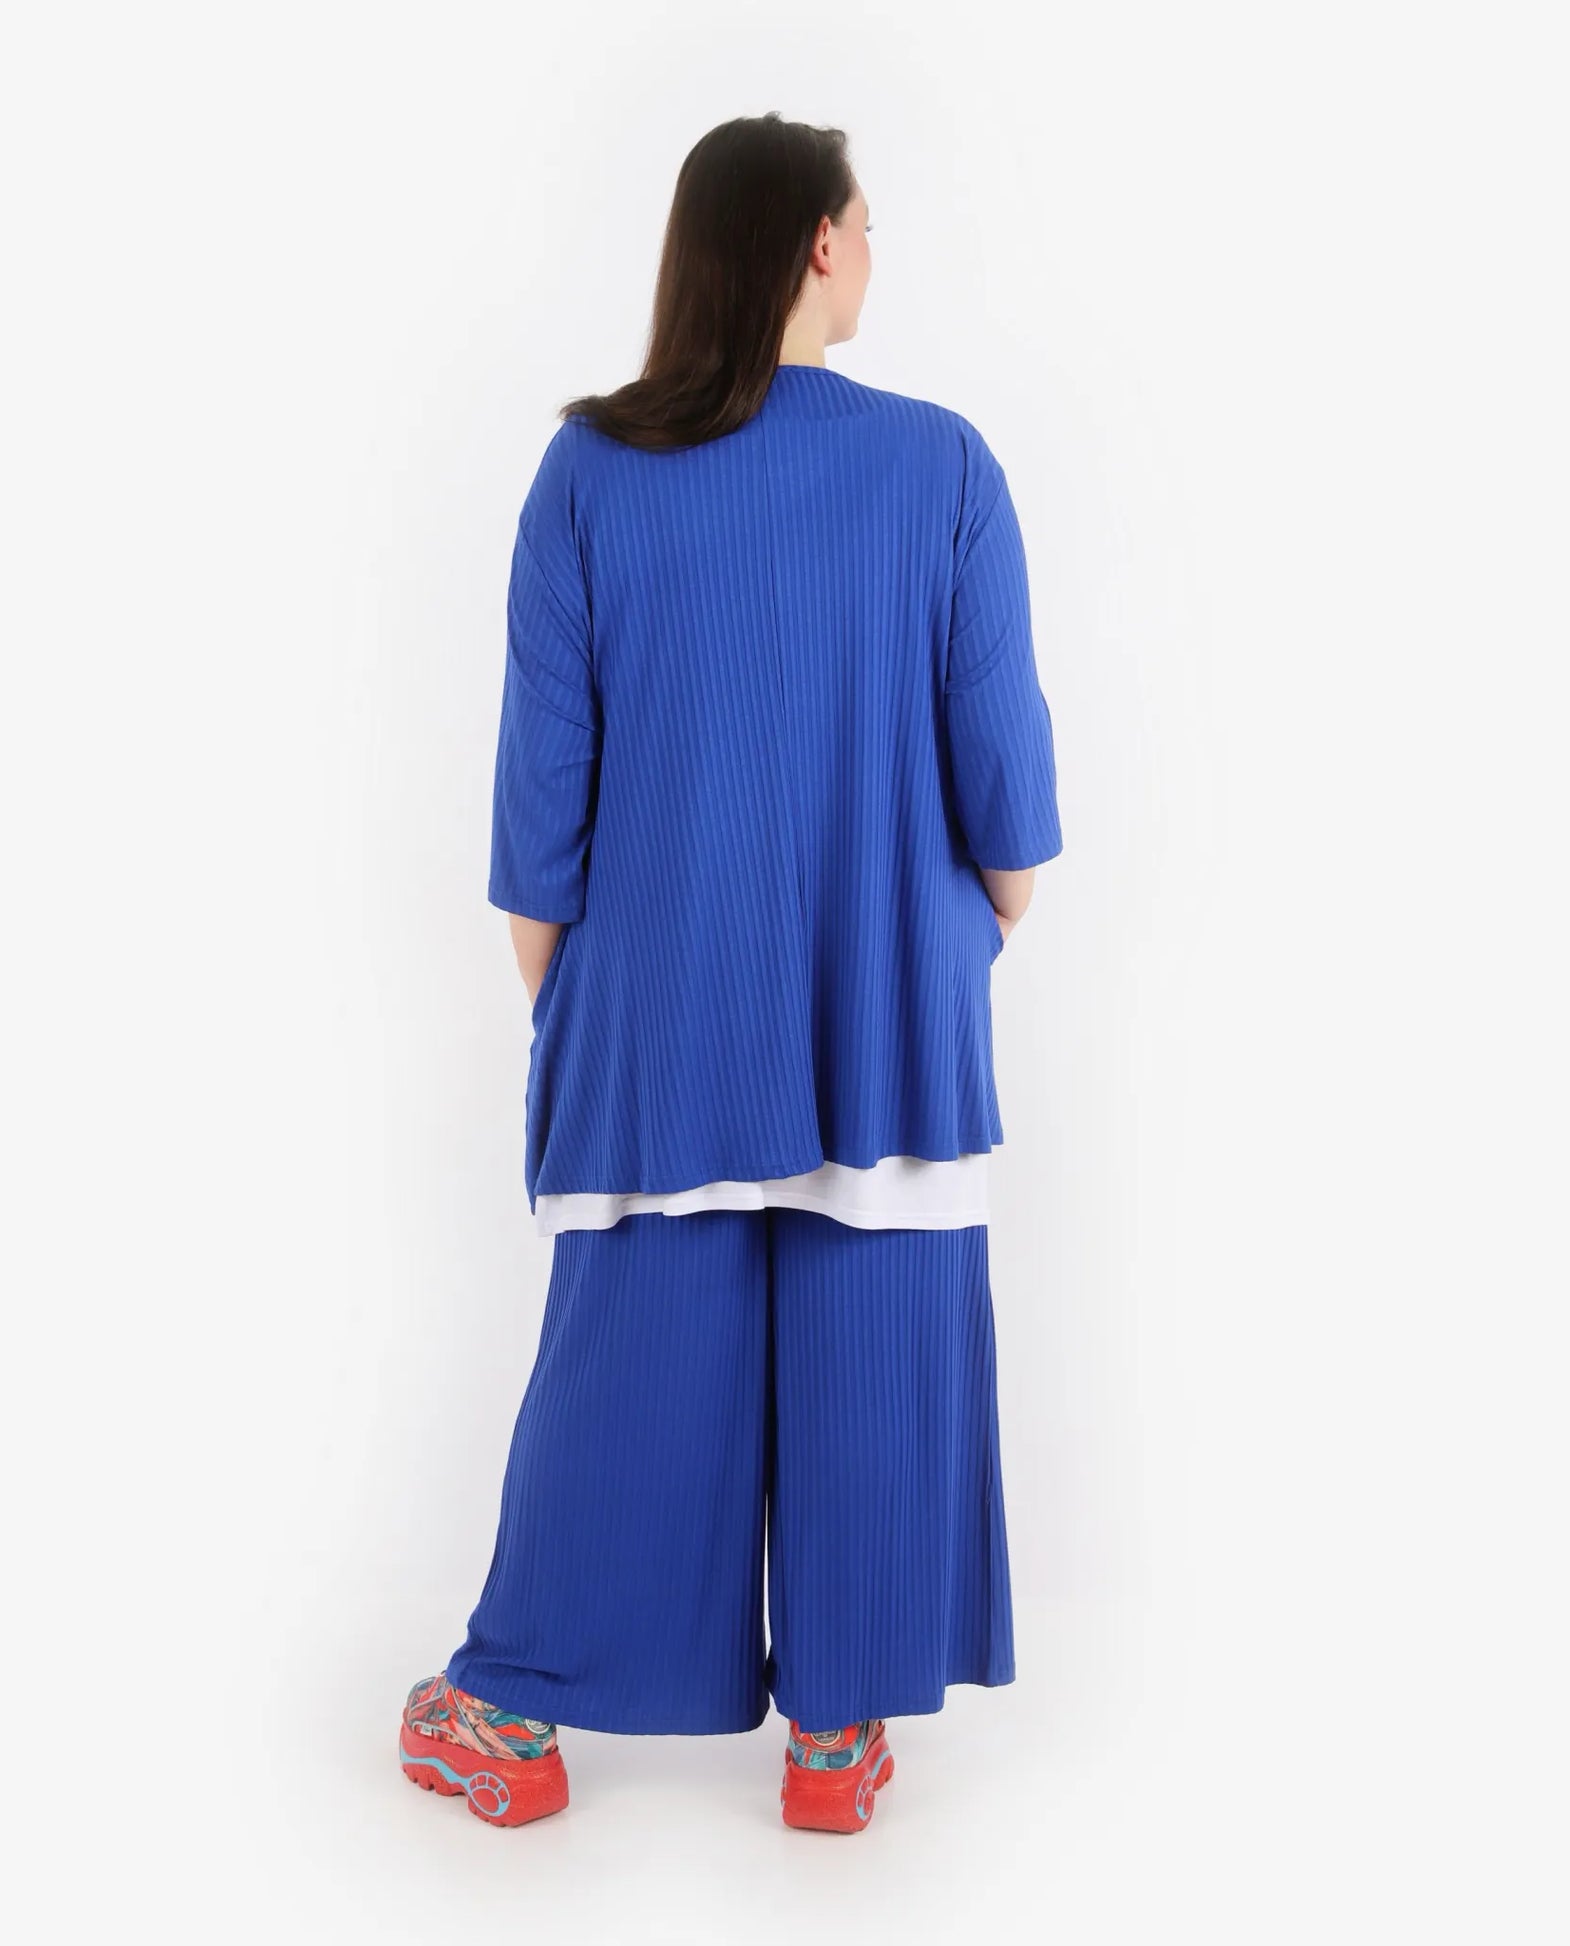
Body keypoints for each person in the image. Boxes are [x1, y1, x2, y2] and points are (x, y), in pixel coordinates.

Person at [395, 111, 1062, 1833]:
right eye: (865, 223)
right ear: (817, 245)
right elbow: (1008, 801)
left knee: (634, 1357)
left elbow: (540, 823)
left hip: (660, 1007)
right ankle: (836, 1739)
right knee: (876, 1338)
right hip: (890, 1002)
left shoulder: (587, 474)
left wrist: (587, 1007)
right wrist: (956, 938)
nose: (872, 252)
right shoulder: (943, 467)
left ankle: (508, 1716)